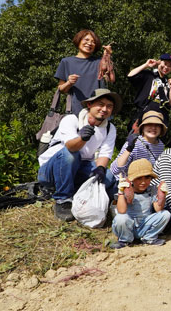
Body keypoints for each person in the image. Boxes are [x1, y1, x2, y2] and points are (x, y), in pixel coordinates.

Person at [37, 89, 120, 221]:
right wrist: (82, 138)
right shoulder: (72, 119)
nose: (104, 109)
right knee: (71, 155)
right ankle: (63, 199)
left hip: (80, 167)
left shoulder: (110, 128)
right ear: (89, 105)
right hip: (51, 170)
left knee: (109, 177)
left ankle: (108, 205)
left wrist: (100, 169)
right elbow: (70, 146)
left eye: (109, 106)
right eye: (100, 104)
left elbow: (105, 153)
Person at [111, 159, 170, 249]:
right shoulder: (126, 189)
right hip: (129, 225)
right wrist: (121, 193)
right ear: (132, 179)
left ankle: (149, 237)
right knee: (120, 218)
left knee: (165, 214)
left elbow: (158, 209)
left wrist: (162, 195)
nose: (143, 182)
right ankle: (125, 240)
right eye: (139, 178)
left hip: (144, 225)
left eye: (147, 178)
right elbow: (121, 210)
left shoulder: (152, 190)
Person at [54, 29, 113, 114]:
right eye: (86, 40)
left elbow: (111, 80)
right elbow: (61, 89)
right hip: (75, 111)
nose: (89, 43)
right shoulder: (66, 62)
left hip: (98, 112)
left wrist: (107, 57)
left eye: (93, 42)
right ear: (78, 40)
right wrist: (69, 83)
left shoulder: (99, 62)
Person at [109, 110, 166, 179]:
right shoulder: (134, 142)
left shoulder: (160, 146)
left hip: (146, 184)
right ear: (143, 127)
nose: (153, 128)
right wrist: (129, 148)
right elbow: (115, 170)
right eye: (149, 124)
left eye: (157, 125)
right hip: (127, 183)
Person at [127, 54, 171, 127]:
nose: (166, 67)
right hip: (143, 115)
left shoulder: (168, 82)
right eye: (165, 63)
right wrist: (146, 65)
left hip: (160, 119)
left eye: (169, 66)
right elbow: (130, 76)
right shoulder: (149, 75)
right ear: (159, 62)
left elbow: (169, 104)